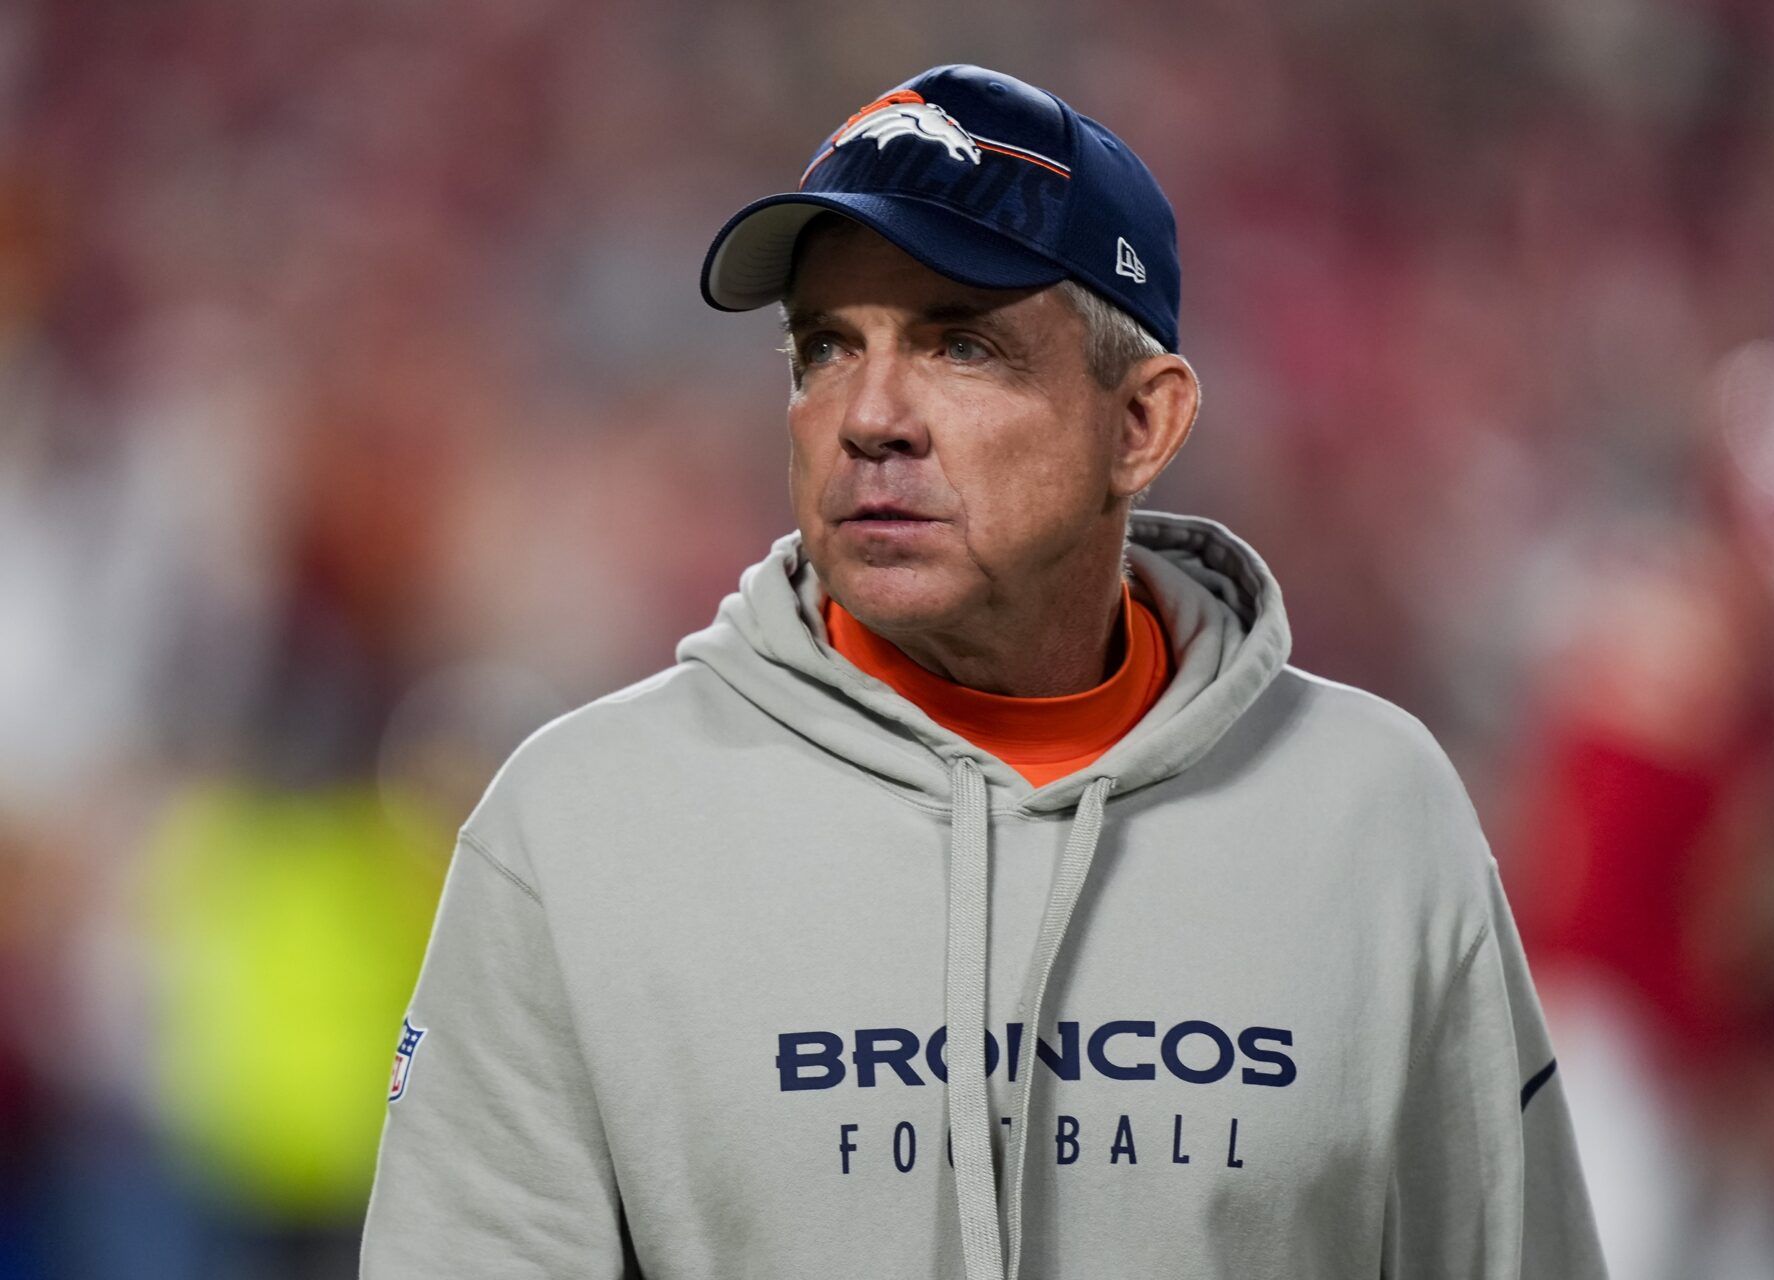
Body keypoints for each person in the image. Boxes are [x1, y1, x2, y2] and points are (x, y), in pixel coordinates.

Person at [358, 64, 1607, 1279]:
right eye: (825, 349)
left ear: (1143, 424)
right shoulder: (573, 833)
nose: (869, 414)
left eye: (960, 346)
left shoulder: (1377, 815)